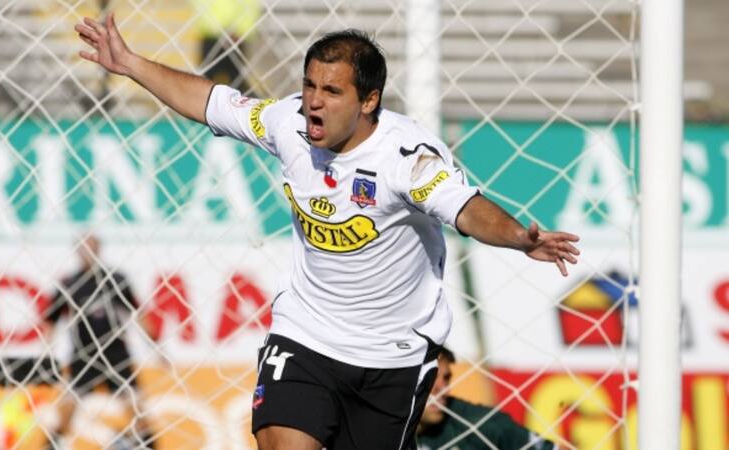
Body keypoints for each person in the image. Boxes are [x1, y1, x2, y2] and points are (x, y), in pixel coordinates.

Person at [74, 14, 580, 450]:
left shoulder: (408, 159)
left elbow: (467, 209)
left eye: (331, 91)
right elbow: (212, 101)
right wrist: (131, 64)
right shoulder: (286, 122)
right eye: (310, 85)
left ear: (368, 101)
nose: (313, 101)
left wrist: (520, 237)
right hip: (307, 337)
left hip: (393, 355)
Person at [46, 234, 154, 447]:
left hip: (116, 353)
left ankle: (150, 445)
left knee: (136, 407)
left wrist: (153, 340)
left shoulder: (116, 279)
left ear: (99, 249)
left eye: (92, 246)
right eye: (83, 247)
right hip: (82, 355)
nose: (88, 251)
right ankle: (51, 445)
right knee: (67, 407)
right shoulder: (69, 283)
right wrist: (46, 353)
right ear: (77, 251)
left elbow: (136, 311)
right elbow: (51, 319)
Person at [417, 347, 559, 450]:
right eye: (431, 376)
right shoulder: (395, 426)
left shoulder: (479, 423)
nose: (442, 388)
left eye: (446, 378)